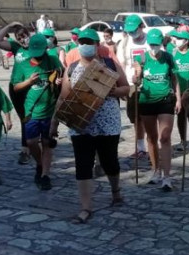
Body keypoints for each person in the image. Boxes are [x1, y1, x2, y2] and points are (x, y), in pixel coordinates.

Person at [51, 28, 130, 222]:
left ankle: (116, 191)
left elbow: (126, 88)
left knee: (109, 161)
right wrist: (54, 122)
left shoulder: (110, 64)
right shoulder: (72, 68)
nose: (86, 46)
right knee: (83, 164)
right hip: (81, 124)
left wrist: (111, 92)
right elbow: (64, 96)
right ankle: (86, 207)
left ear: (97, 45)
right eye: (83, 42)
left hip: (107, 123)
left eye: (90, 42)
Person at [132, 28, 180, 191]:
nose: (154, 46)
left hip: (165, 99)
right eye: (151, 44)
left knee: (165, 137)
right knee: (151, 138)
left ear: (161, 43)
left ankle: (167, 177)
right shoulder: (142, 58)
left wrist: (179, 99)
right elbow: (137, 75)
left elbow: (174, 79)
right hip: (147, 100)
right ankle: (155, 170)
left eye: (156, 44)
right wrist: (136, 78)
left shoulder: (168, 57)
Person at [15, 33, 62, 190]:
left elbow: (61, 76)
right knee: (31, 142)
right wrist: (28, 81)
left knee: (48, 143)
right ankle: (40, 164)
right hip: (32, 111)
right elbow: (15, 87)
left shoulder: (53, 60)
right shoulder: (22, 64)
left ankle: (45, 175)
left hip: (50, 110)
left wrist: (58, 80)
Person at [0, 22, 34, 165]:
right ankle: (25, 149)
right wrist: (9, 26)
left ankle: (32, 145)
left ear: (29, 35)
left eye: (24, 36)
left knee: (31, 116)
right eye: (19, 37)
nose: (22, 39)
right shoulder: (16, 47)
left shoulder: (36, 47)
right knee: (24, 117)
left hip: (32, 88)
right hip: (16, 87)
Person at [116, 15, 150, 160]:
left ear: (141, 27)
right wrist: (122, 85)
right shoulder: (124, 43)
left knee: (150, 117)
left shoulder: (151, 40)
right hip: (131, 84)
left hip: (150, 83)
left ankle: (153, 145)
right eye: (129, 31)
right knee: (136, 117)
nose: (131, 34)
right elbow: (120, 66)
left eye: (134, 30)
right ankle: (141, 147)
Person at [170, 29, 189, 147]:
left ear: (186, 41)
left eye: (179, 39)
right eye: (175, 38)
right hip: (178, 90)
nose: (176, 41)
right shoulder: (172, 53)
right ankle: (183, 139)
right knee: (180, 114)